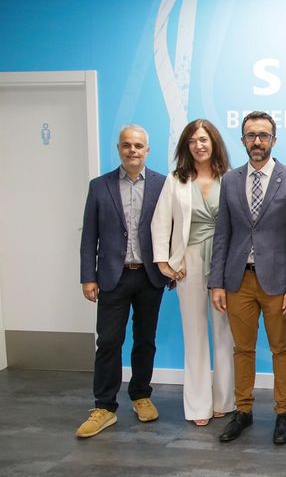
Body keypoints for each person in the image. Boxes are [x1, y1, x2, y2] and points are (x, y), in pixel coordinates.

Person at [209, 111, 286, 445]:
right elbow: (222, 233)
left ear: (274, 140)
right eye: (250, 135)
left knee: (281, 348)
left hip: (278, 284)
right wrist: (217, 282)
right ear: (242, 141)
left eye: (263, 135)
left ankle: (283, 414)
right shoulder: (231, 180)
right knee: (243, 349)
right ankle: (244, 411)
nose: (257, 141)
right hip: (238, 281)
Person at [76, 125, 170, 437]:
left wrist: (172, 267)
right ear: (119, 149)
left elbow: (172, 230)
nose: (133, 150)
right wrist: (88, 276)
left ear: (147, 150)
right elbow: (89, 234)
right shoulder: (99, 186)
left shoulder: (162, 184)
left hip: (149, 277)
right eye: (127, 145)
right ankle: (104, 406)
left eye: (139, 146)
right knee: (109, 342)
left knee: (145, 340)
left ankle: (141, 395)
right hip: (112, 278)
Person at [151, 119, 234, 426]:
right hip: (189, 262)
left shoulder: (231, 178)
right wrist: (164, 262)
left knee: (225, 332)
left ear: (214, 142)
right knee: (195, 334)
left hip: (225, 260)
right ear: (186, 146)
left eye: (204, 139)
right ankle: (199, 405)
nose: (199, 145)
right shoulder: (176, 179)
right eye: (192, 141)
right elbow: (160, 221)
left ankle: (225, 399)